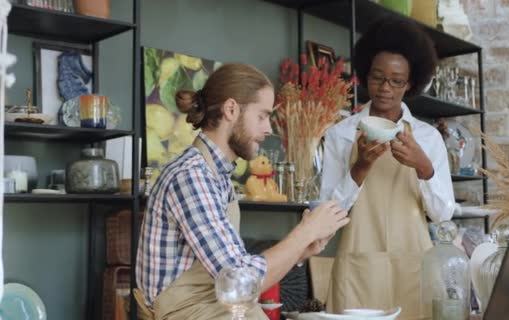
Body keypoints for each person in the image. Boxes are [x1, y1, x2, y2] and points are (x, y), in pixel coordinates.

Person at [135, 63, 350, 320]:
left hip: (212, 307)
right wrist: (306, 232)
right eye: (262, 116)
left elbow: (231, 266)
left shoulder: (217, 175)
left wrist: (301, 250)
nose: (268, 129)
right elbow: (239, 281)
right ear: (231, 109)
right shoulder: (192, 176)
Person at [320, 17, 456, 319]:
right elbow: (326, 214)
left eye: (396, 81)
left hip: (414, 268)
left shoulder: (427, 137)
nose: (385, 88)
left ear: (410, 83)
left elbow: (443, 214)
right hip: (357, 269)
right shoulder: (340, 134)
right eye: (377, 77)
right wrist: (360, 168)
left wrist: (424, 168)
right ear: (365, 75)